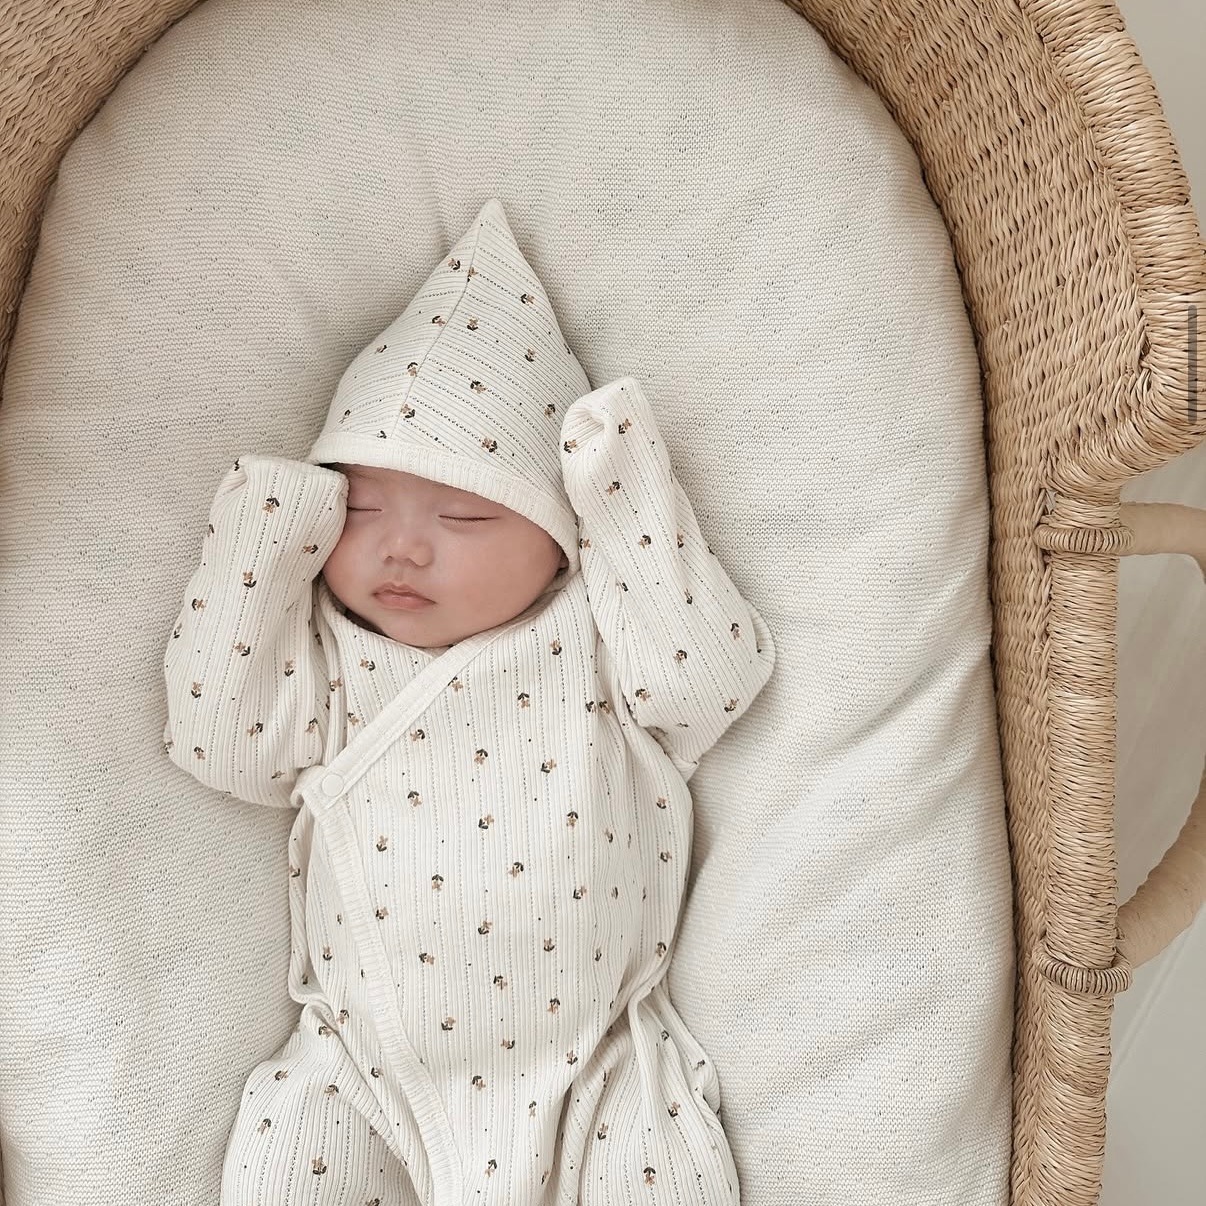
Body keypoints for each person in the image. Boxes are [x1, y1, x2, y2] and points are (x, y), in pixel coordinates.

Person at [163, 197, 776, 1205]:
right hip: (362, 1067)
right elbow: (221, 744)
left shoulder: (596, 639)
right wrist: (269, 533)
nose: (401, 546)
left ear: (559, 546)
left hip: (596, 1066)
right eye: (360, 508)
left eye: (462, 515)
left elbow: (715, 675)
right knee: (286, 1165)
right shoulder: (335, 658)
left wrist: (623, 492)